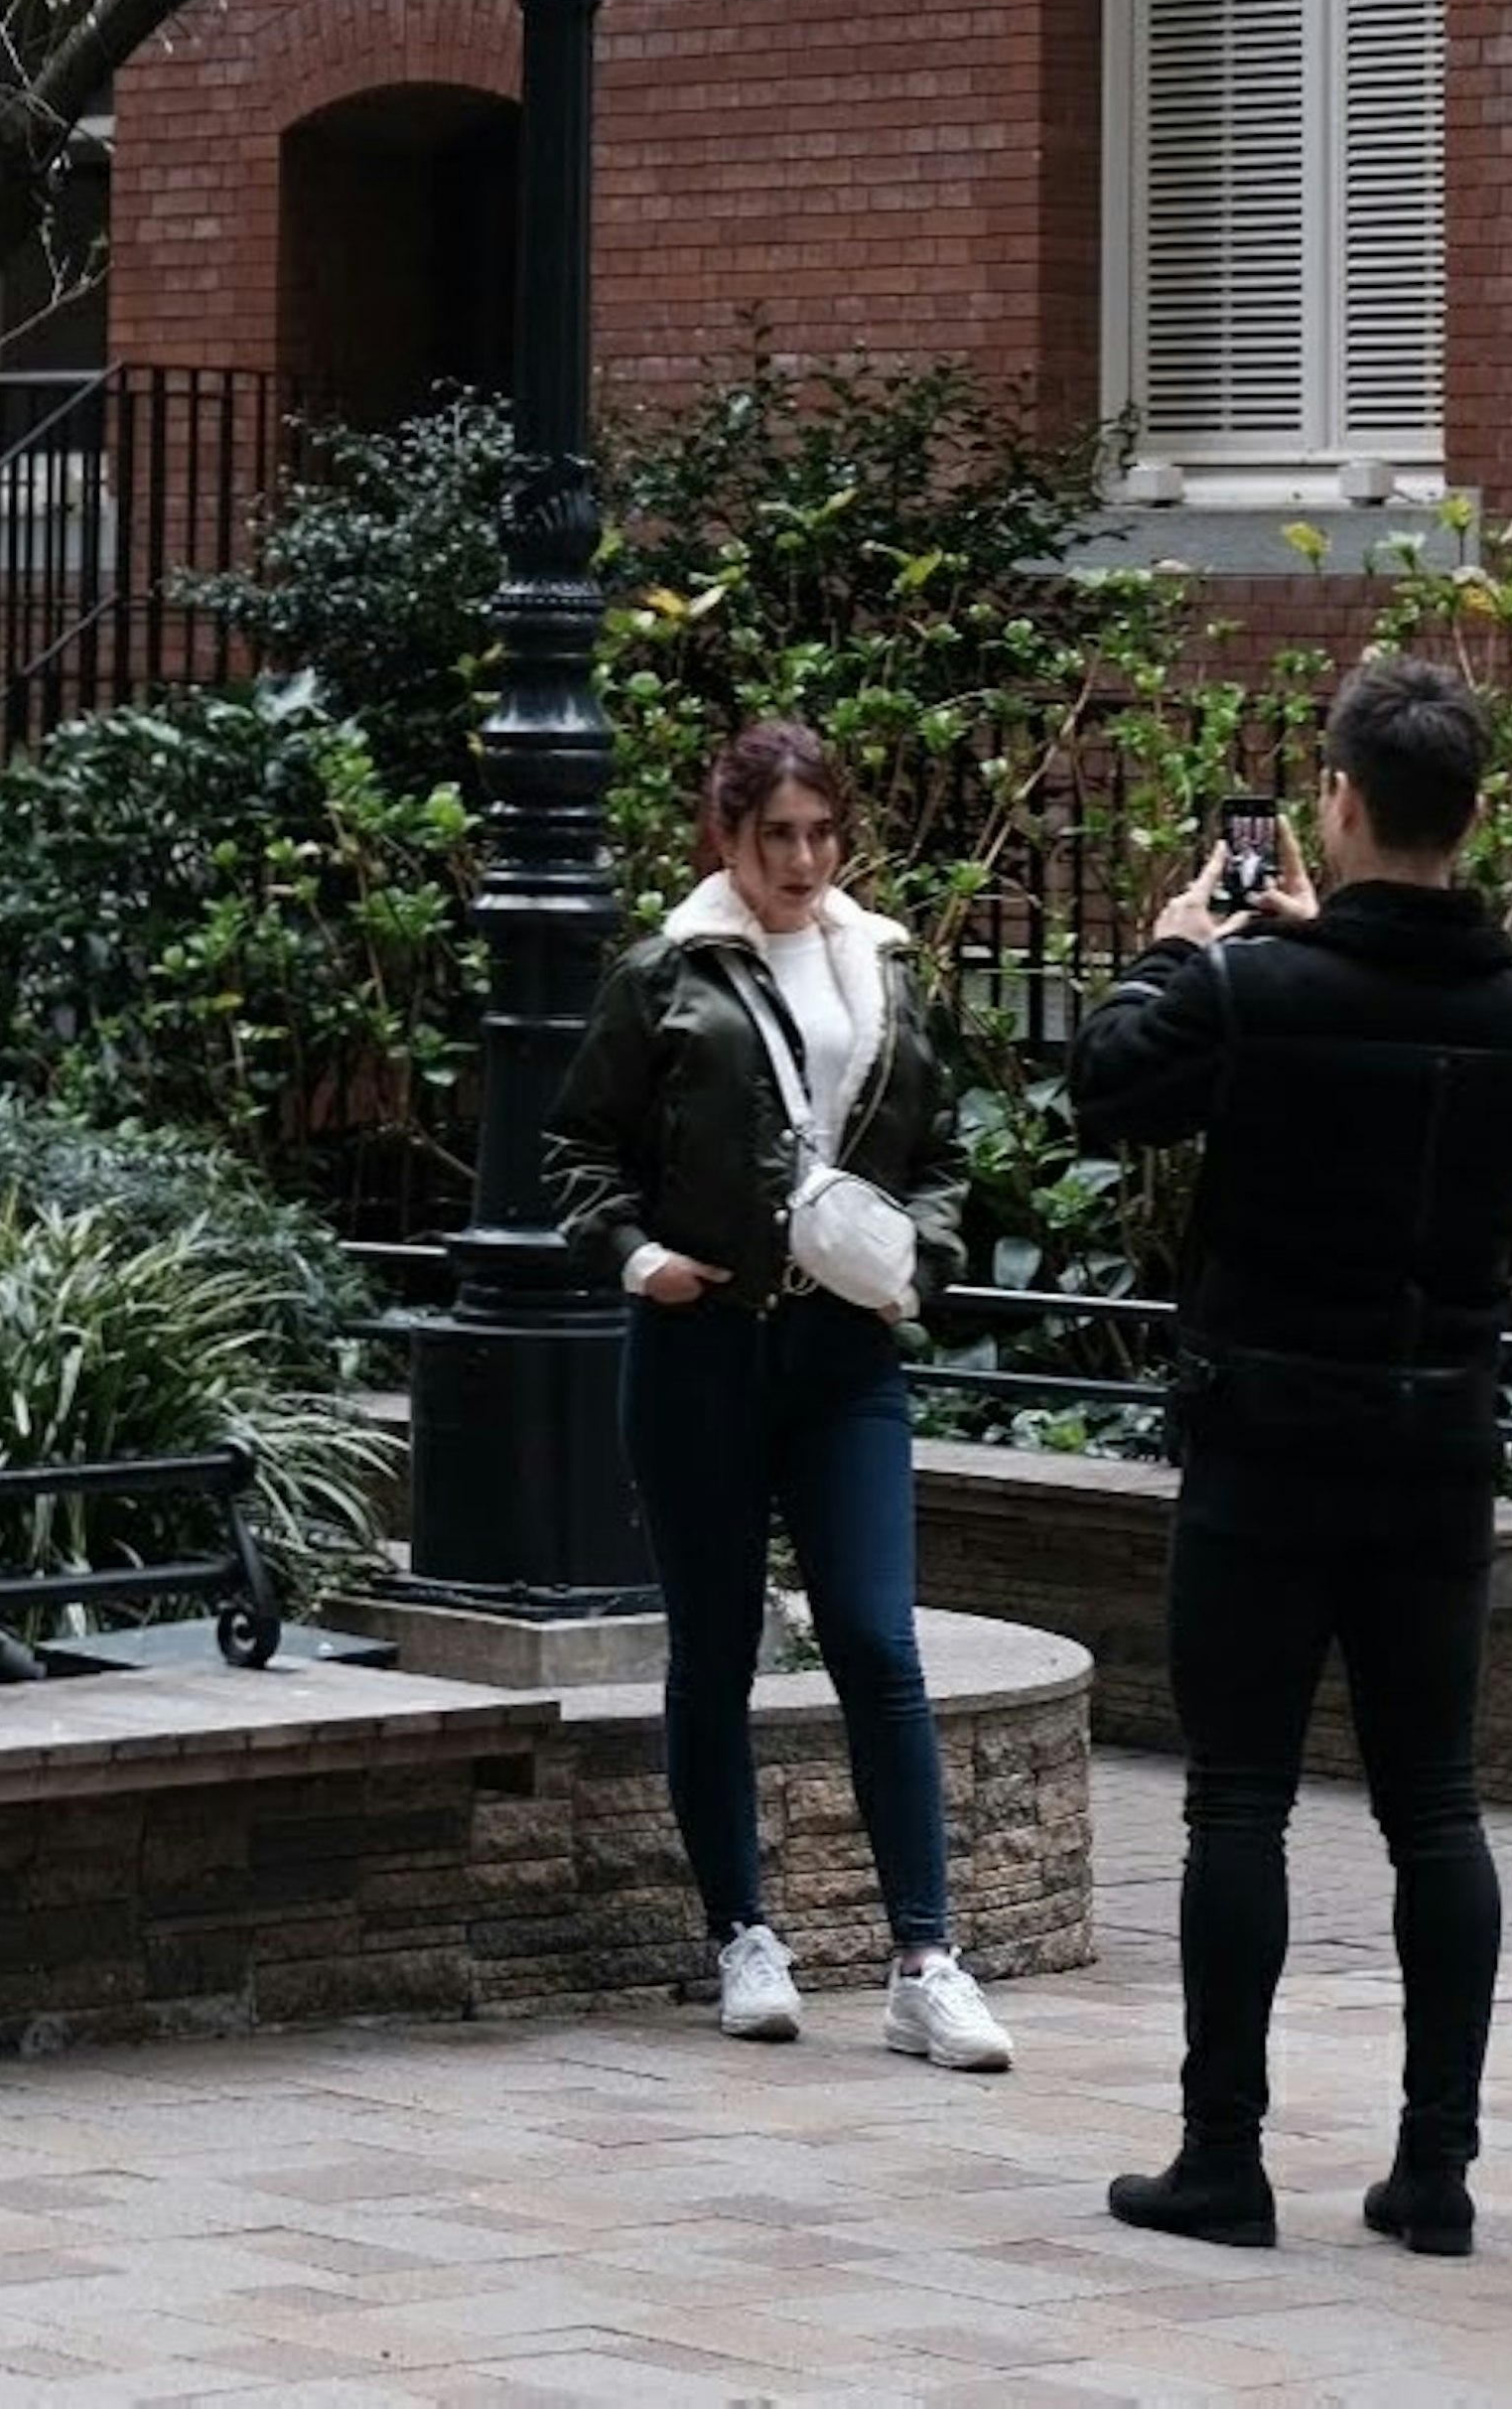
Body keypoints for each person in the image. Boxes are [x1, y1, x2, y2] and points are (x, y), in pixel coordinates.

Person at [1070, 646, 1512, 2262]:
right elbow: (1416, 1007)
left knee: (1239, 1803)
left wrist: (1177, 948)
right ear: (1473, 814)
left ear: (1339, 804)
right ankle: (1437, 2171)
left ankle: (1225, 2156)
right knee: (1437, 1804)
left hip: (1269, 1440)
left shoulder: (1249, 991)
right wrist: (1314, 943)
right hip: (1439, 1447)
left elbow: (1104, 1090)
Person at [547, 715, 1015, 2074]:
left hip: (845, 1354)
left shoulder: (885, 966)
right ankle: (742, 1932)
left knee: (878, 1640)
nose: (804, 860)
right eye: (777, 837)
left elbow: (939, 1153)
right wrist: (640, 1260)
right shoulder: (666, 974)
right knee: (714, 1649)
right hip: (702, 1346)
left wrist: (916, 1256)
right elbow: (578, 1146)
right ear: (728, 839)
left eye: (822, 834)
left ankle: (927, 1959)